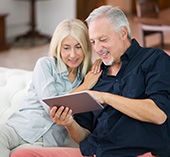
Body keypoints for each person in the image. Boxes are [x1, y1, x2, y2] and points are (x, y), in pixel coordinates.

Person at [11, 5, 170, 157]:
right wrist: (69, 123)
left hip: (136, 152)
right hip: (94, 151)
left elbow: (158, 114)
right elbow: (83, 135)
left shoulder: (154, 59)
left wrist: (104, 97)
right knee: (22, 154)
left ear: (123, 33)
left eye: (103, 39)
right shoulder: (95, 76)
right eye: (93, 42)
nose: (98, 48)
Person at [0, 18, 102, 157]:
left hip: (45, 143)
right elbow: (53, 108)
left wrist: (101, 63)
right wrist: (85, 86)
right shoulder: (45, 65)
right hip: (17, 129)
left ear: (86, 47)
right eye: (66, 48)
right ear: (58, 47)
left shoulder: (88, 76)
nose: (73, 54)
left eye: (78, 47)